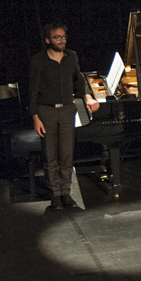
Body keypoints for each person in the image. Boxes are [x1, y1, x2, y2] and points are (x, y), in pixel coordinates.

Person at [28, 22, 99, 210]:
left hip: (68, 109)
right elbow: (32, 91)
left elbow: (79, 79)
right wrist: (35, 116)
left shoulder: (71, 56)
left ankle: (66, 193)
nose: (61, 40)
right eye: (57, 37)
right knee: (50, 154)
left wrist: (88, 97)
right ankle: (55, 195)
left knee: (67, 153)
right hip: (46, 111)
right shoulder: (38, 60)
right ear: (47, 40)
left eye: (63, 37)